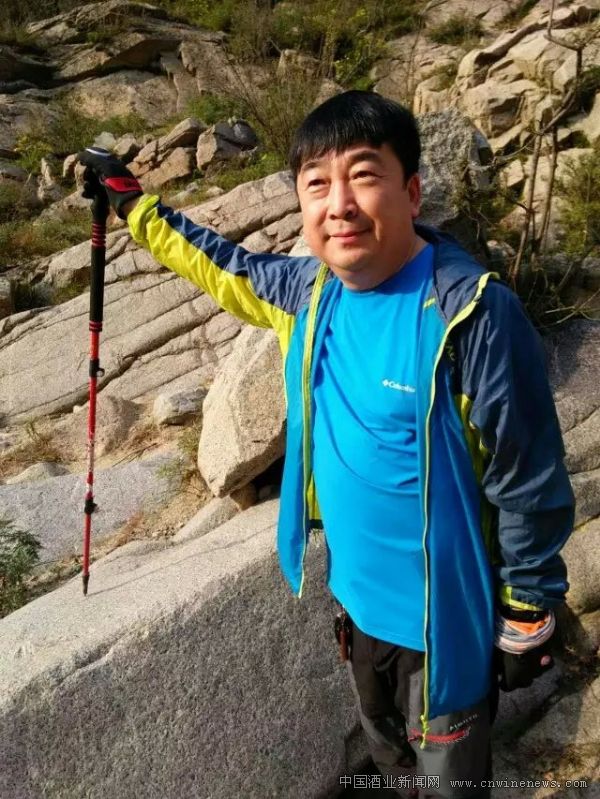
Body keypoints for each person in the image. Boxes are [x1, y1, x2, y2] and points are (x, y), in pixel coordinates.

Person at [79, 90, 574, 799]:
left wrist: (528, 606)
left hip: (446, 626)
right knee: (384, 749)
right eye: (317, 184)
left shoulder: (472, 313)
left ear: (412, 191)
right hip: (356, 603)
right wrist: (132, 204)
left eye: (364, 175)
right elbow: (214, 261)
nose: (339, 204)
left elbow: (527, 476)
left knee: (450, 780)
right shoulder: (310, 293)